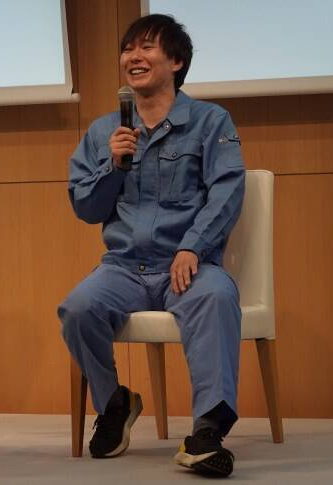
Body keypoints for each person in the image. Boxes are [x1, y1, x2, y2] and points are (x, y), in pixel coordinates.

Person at [58, 14, 245, 477]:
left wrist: (193, 247)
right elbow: (85, 207)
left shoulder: (209, 121)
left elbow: (226, 192)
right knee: (78, 308)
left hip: (189, 264)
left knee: (217, 297)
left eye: (146, 48)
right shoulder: (103, 132)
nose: (133, 57)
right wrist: (114, 165)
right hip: (124, 267)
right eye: (128, 49)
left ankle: (207, 431)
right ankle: (114, 404)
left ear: (176, 62)